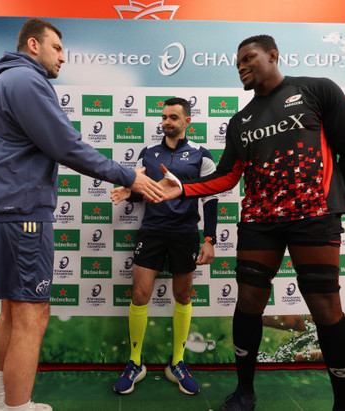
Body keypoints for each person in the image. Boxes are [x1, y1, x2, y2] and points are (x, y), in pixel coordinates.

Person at [159, 35, 345, 411]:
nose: (241, 65)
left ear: (273, 55)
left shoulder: (317, 90)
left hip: (313, 217)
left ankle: (344, 405)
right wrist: (182, 189)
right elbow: (226, 177)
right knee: (250, 301)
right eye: (237, 62)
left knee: (325, 307)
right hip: (259, 221)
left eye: (248, 58)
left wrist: (332, 201)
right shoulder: (240, 121)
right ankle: (244, 392)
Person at [0, 18, 163, 411]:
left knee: (10, 311)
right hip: (21, 211)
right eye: (57, 48)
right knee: (31, 314)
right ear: (33, 45)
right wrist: (129, 176)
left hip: (0, 211)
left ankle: (2, 404)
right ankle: (17, 408)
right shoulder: (25, 81)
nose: (64, 57)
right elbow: (67, 146)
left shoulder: (5, 82)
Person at [111, 97, 218, 396]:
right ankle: (135, 363)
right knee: (139, 294)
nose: (167, 121)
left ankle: (178, 363)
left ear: (187, 122)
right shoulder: (149, 154)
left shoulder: (201, 155)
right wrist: (126, 191)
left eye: (173, 117)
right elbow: (140, 191)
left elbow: (210, 198)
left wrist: (209, 239)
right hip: (153, 231)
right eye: (164, 117)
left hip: (185, 234)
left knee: (182, 296)